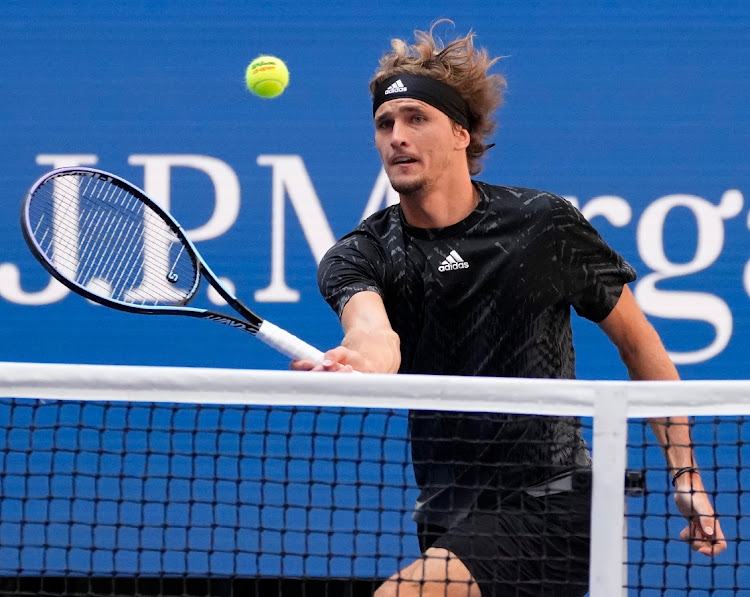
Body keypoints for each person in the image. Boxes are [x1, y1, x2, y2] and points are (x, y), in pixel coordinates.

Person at [291, 20, 726, 597]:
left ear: (460, 134)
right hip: (448, 515)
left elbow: (638, 343)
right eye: (385, 123)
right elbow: (372, 331)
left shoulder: (542, 226)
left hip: (557, 503)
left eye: (416, 118)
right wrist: (359, 362)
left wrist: (685, 471)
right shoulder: (360, 253)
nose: (397, 136)